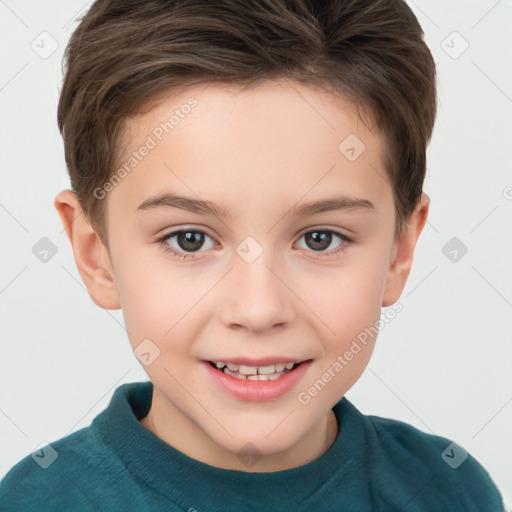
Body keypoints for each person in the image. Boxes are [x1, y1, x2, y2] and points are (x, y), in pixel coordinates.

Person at [0, 0, 506, 510]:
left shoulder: (450, 492)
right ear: (96, 254)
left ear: (399, 251)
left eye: (320, 239)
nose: (258, 309)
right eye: (189, 239)